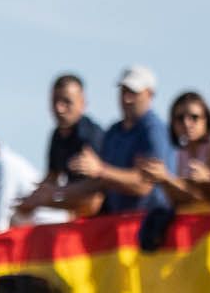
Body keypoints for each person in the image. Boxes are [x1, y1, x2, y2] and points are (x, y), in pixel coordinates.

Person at [69, 66, 172, 215]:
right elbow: (101, 183)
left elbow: (144, 185)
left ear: (150, 94)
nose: (126, 99)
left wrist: (101, 170)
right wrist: (56, 194)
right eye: (123, 91)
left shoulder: (153, 130)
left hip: (149, 223)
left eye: (133, 93)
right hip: (120, 223)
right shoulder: (114, 131)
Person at [15, 74, 104, 223]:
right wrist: (30, 200)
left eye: (67, 102)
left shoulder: (91, 137)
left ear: (82, 103)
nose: (59, 109)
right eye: (55, 101)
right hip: (80, 221)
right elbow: (51, 179)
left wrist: (47, 201)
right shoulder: (57, 135)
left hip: (103, 224)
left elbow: (94, 201)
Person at [143, 92, 210, 207]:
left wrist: (165, 178)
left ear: (206, 119)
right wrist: (163, 180)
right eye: (180, 118)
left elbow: (205, 197)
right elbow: (179, 199)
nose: (186, 123)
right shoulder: (179, 153)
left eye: (194, 117)